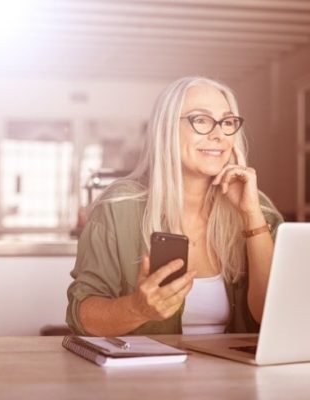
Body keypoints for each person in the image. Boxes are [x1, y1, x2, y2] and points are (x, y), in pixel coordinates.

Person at [66, 76, 283, 336]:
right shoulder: (119, 207)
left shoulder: (258, 207)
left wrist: (251, 217)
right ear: (166, 129)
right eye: (200, 120)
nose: (218, 135)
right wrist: (137, 309)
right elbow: (82, 316)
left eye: (226, 122)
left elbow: (273, 315)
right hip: (148, 375)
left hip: (236, 376)